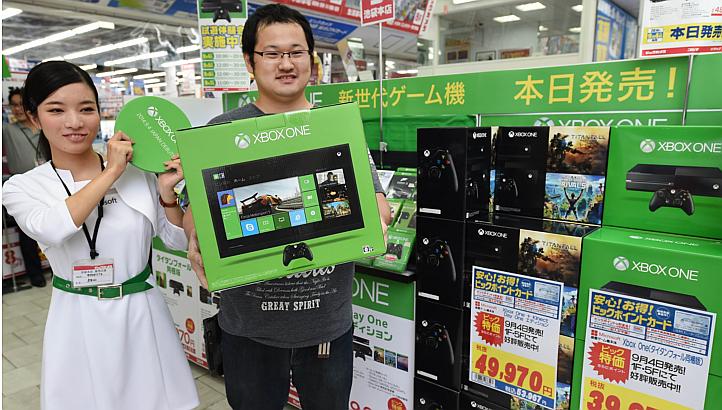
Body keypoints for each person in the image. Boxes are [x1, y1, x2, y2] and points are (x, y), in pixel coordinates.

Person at [182, 4, 391, 409]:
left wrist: (372, 222)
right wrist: (195, 236)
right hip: (248, 327)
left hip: (326, 324)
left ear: (311, 60)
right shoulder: (221, 132)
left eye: (296, 52)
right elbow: (197, 216)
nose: (286, 64)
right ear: (250, 61)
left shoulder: (337, 127)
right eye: (272, 53)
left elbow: (378, 206)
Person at [2, 61, 199, 410]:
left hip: (142, 312)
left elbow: (177, 241)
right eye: (56, 110)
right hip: (77, 316)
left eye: (86, 109)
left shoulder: (140, 174)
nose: (75, 122)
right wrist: (111, 173)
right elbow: (52, 227)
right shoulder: (22, 187)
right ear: (34, 118)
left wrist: (167, 194)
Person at [3, 87, 46, 286]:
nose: (17, 109)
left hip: (48, 182)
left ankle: (58, 269)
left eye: (21, 104)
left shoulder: (44, 127)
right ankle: (35, 273)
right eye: (13, 105)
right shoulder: (7, 130)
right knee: (27, 232)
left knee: (56, 224)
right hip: (23, 187)